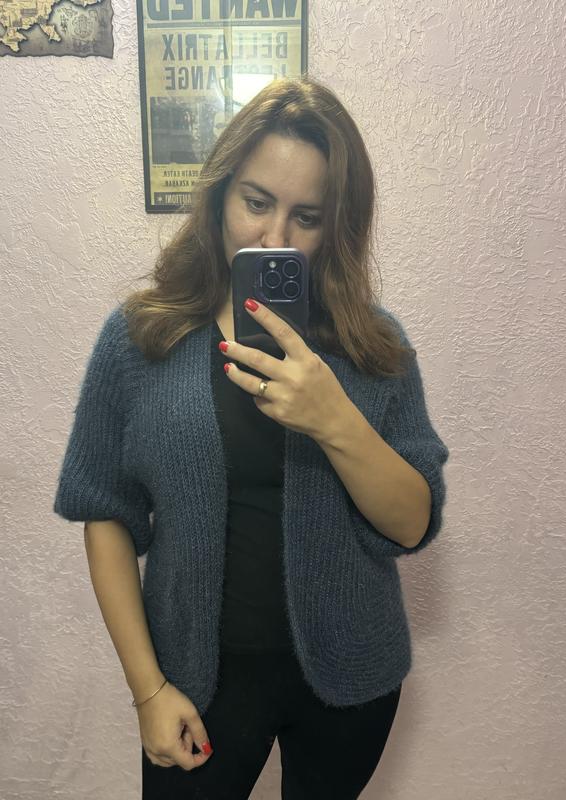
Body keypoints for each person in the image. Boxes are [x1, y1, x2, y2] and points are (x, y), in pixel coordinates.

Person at [53, 75, 449, 799]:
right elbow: (104, 511)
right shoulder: (144, 337)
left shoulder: (373, 345)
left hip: (348, 682)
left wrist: (334, 418)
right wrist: (147, 691)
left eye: (307, 216)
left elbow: (412, 523)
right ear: (219, 195)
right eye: (257, 202)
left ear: (337, 225)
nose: (274, 239)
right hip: (196, 683)